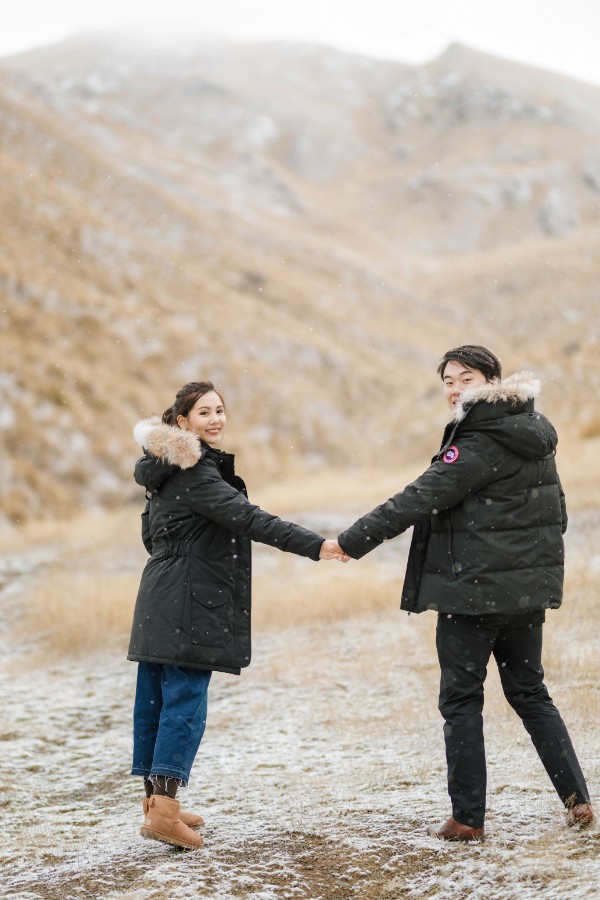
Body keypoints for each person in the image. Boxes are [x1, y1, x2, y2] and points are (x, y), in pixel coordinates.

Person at [336, 345, 594, 841]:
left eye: (465, 378)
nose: (454, 389)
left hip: (471, 595)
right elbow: (557, 514)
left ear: (492, 380)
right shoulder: (533, 433)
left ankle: (468, 818)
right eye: (448, 381)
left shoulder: (478, 441)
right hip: (524, 596)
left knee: (460, 700)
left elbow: (419, 496)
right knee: (532, 694)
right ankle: (578, 800)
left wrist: (349, 542)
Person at [129, 380, 347, 850]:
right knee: (185, 702)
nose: (215, 419)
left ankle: (155, 803)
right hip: (188, 600)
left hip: (158, 596)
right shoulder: (195, 472)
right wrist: (319, 545)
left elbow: (151, 536)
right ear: (181, 422)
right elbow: (250, 518)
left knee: (156, 699)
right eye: (203, 413)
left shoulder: (163, 470)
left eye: (220, 410)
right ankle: (164, 814)